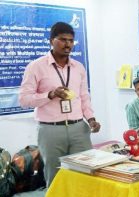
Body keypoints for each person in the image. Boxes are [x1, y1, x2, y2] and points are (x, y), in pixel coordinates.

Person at [19, 22, 101, 187]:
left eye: (71, 40)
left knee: (86, 174)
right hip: (50, 130)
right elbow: (24, 100)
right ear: (51, 41)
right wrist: (50, 94)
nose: (68, 44)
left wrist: (91, 119)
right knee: (55, 176)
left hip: (79, 128)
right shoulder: (36, 67)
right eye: (63, 40)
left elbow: (84, 97)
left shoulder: (78, 67)